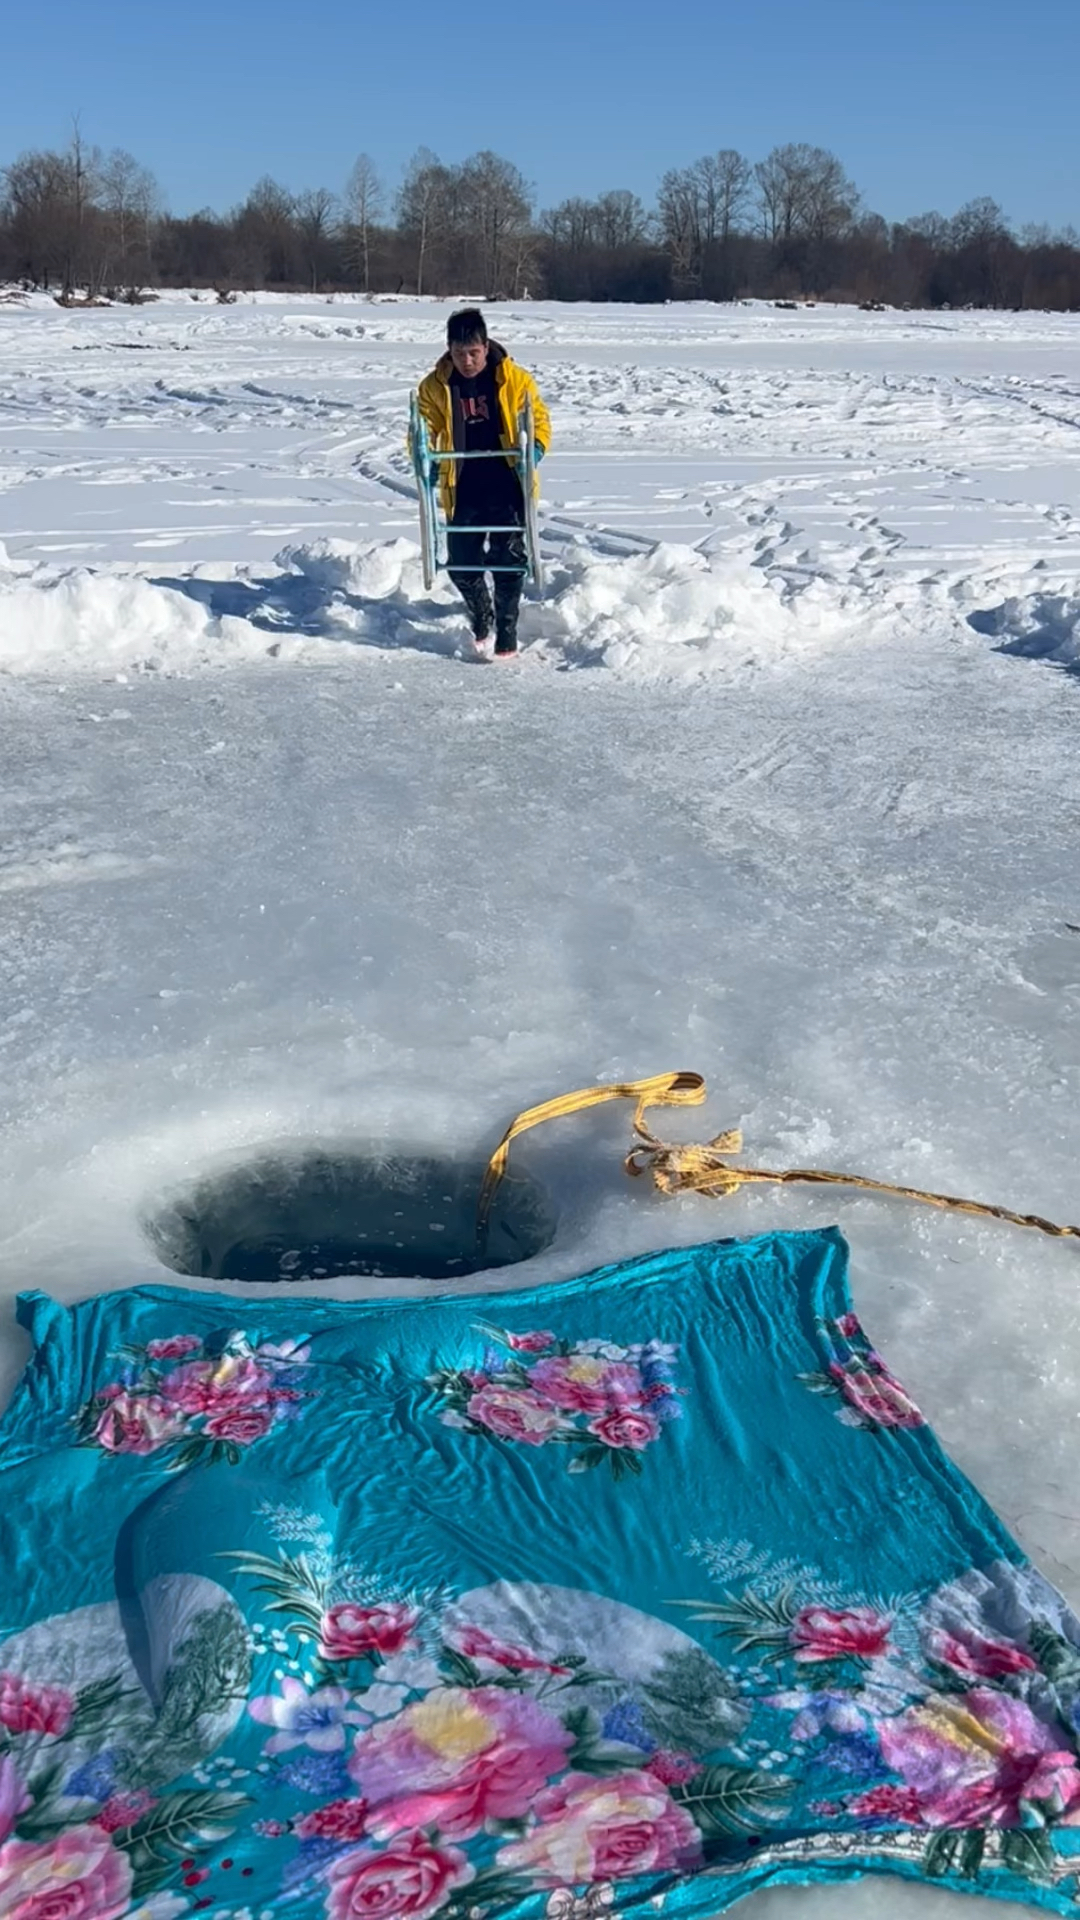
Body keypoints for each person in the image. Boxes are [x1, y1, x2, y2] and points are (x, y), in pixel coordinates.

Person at [417, 309, 551, 657]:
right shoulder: (435, 386)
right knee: (462, 563)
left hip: (507, 483)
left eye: (474, 352)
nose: (467, 361)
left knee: (508, 558)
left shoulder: (514, 379)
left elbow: (538, 418)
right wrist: (425, 456)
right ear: (449, 350)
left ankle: (506, 627)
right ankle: (481, 611)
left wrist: (535, 448)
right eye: (459, 353)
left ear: (486, 346)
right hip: (463, 484)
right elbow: (423, 426)